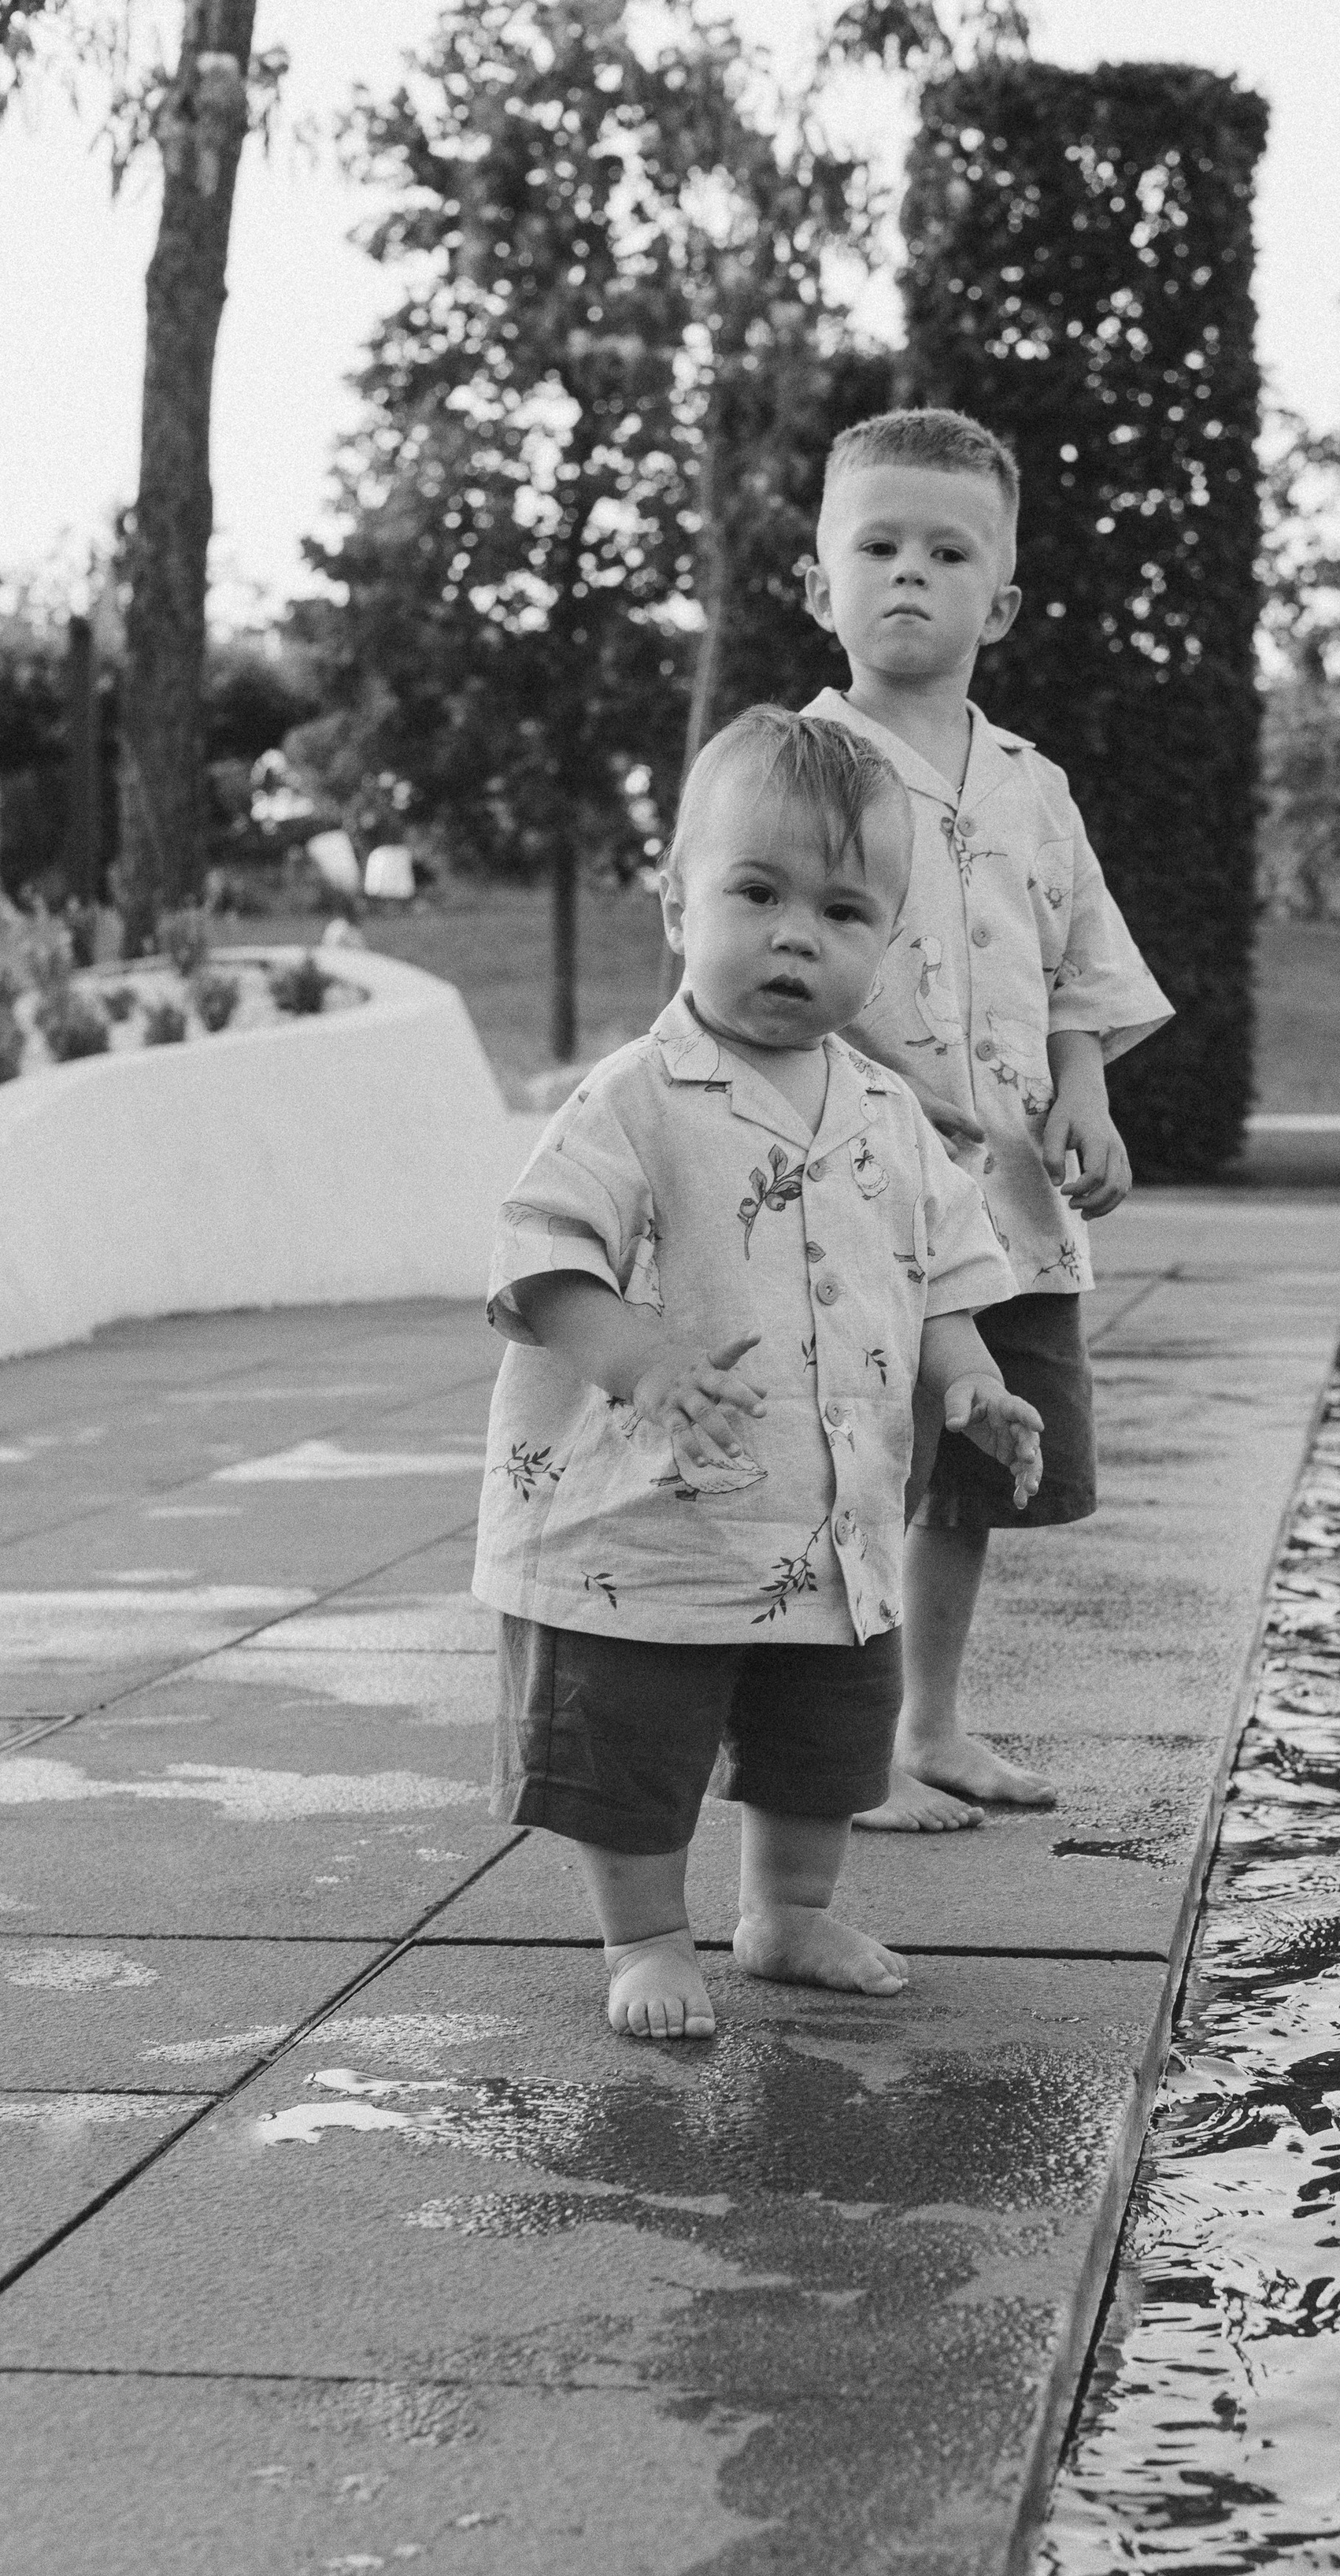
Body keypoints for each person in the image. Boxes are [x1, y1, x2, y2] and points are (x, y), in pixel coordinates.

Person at [472, 706, 1042, 2043]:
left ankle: (785, 1909)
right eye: (758, 892)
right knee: (636, 1731)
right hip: (645, 1521)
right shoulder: (633, 1095)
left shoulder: (890, 1114)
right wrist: (644, 1357)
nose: (798, 933)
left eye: (844, 912)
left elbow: (941, 1279)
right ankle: (646, 1933)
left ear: (886, 945)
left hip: (824, 1518)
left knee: (827, 1730)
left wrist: (971, 1387)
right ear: (678, 902)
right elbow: (542, 1261)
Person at [801, 406, 1175, 1833]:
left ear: (1000, 600)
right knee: (859, 1454)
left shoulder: (1031, 784)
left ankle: (931, 1724)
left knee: (970, 1470)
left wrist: (1085, 1090)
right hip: (843, 1185)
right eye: (877, 545)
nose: (910, 574)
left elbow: (1078, 960)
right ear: (817, 581)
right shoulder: (798, 767)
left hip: (1004, 1200)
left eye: (947, 552)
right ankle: (832, 1755)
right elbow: (743, 953)